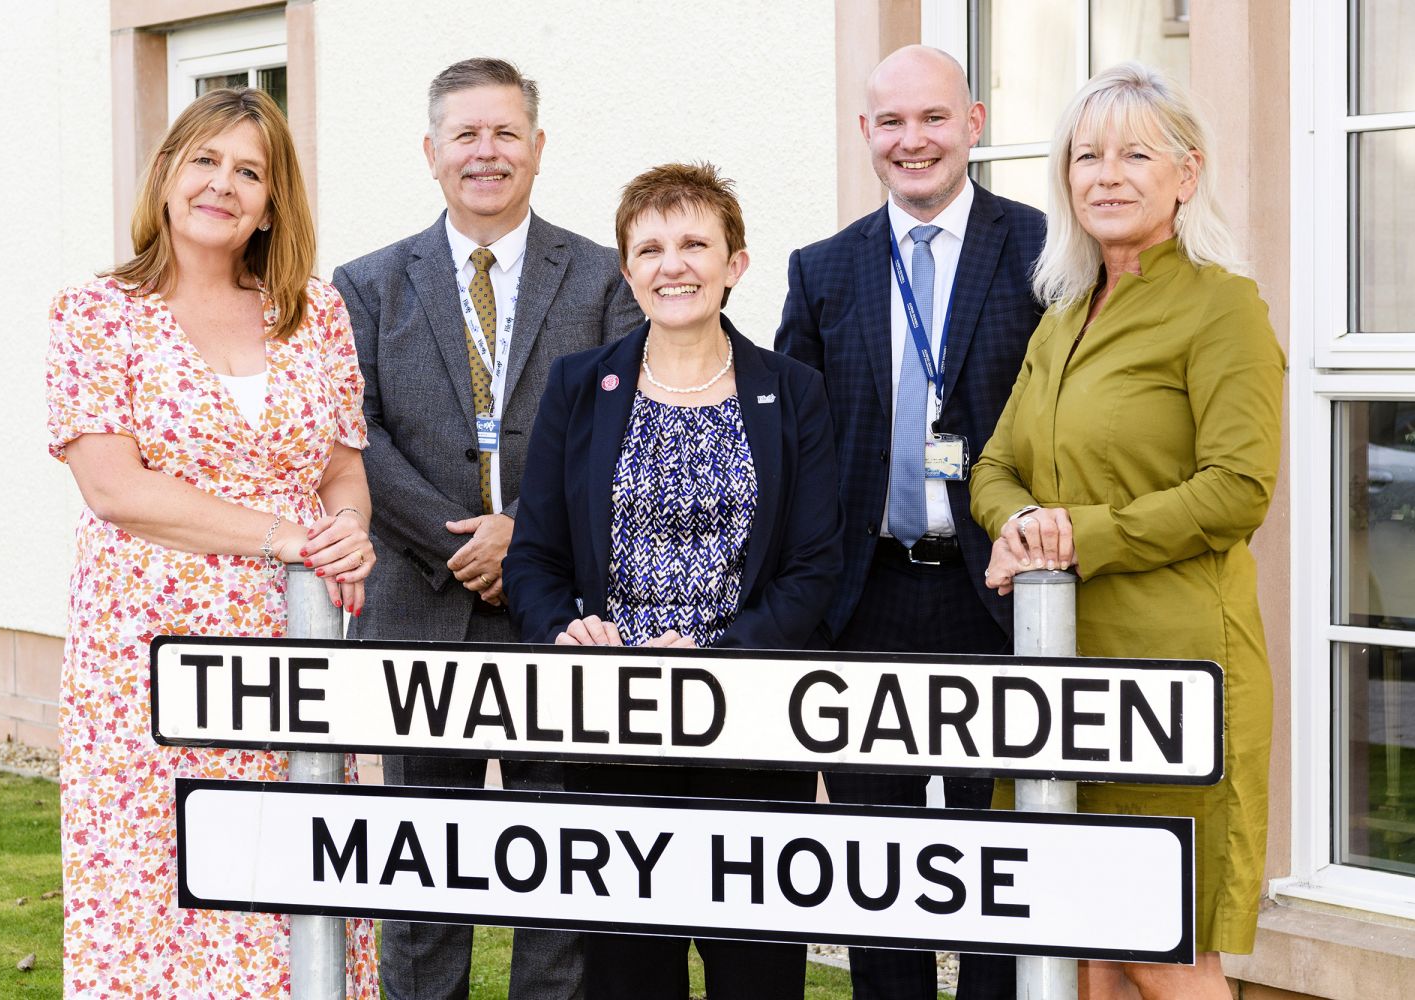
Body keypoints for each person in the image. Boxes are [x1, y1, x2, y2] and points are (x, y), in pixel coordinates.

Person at [46, 87, 378, 997]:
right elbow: (114, 486)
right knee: (163, 890)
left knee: (293, 887)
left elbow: (343, 470)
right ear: (165, 177)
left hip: (292, 641)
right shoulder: (97, 312)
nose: (222, 185)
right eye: (205, 161)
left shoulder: (316, 313)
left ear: (273, 202)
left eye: (249, 171)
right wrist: (287, 535)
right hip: (147, 657)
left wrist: (344, 530)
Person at [971, 62, 1283, 1000]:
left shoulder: (1222, 306)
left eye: (1135, 154)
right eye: (1086, 155)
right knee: (1083, 949)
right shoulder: (1062, 314)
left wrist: (1073, 535)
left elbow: (1237, 489)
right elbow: (993, 466)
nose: (1106, 174)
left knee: (1160, 946)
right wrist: (1019, 521)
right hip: (1065, 677)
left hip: (1174, 676)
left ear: (1186, 173)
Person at [332, 57, 641, 1000]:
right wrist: (464, 541)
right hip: (417, 615)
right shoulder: (366, 283)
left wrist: (525, 535)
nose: (486, 152)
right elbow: (355, 431)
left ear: (538, 148)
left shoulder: (603, 278)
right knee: (420, 877)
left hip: (559, 616)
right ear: (431, 153)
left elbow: (626, 429)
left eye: (505, 132)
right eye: (465, 134)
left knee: (563, 873)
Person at [504, 162, 842, 1000]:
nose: (673, 264)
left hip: (751, 723)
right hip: (617, 726)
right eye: (649, 248)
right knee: (627, 975)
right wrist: (565, 630)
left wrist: (717, 655)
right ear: (627, 271)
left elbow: (814, 567)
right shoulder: (581, 386)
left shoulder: (793, 391)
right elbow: (534, 556)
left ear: (737, 264)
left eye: (696, 243)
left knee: (756, 974)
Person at [773, 44, 1044, 1000]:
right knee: (877, 867)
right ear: (865, 136)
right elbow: (790, 444)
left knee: (995, 862)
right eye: (891, 122)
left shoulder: (1044, 251)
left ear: (973, 123)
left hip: (997, 599)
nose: (912, 140)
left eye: (932, 118)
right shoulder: (824, 269)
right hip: (864, 599)